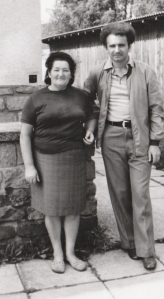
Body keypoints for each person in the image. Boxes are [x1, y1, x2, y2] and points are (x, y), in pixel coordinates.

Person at [84, 22, 164, 270]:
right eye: (112, 45)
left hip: (140, 137)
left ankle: (146, 250)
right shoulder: (98, 72)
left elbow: (156, 109)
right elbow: (85, 102)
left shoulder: (145, 72)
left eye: (121, 45)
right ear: (106, 47)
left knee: (140, 194)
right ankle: (129, 242)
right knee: (119, 193)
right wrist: (90, 127)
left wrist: (155, 142)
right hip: (111, 138)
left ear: (129, 45)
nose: (117, 50)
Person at [20, 51, 97, 274]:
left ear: (71, 73)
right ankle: (57, 254)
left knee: (73, 209)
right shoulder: (36, 98)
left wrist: (90, 130)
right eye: (57, 69)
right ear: (49, 72)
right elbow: (25, 134)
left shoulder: (80, 96)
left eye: (66, 70)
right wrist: (29, 166)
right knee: (51, 210)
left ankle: (71, 253)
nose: (61, 73)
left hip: (73, 158)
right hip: (45, 160)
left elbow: (91, 115)